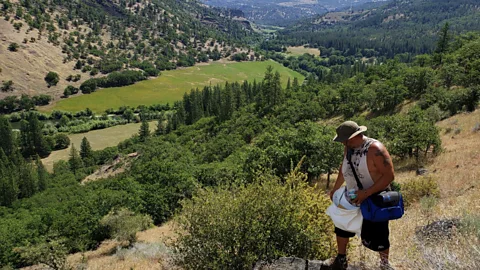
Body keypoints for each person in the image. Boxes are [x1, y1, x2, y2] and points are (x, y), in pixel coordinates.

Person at [328, 121, 395, 270]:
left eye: (345, 140)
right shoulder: (348, 147)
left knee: (379, 232)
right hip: (351, 196)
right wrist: (335, 189)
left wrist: (366, 193)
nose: (343, 143)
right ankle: (341, 259)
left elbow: (389, 176)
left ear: (354, 136)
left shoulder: (375, 149)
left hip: (374, 197)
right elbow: (343, 168)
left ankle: (384, 265)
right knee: (341, 226)